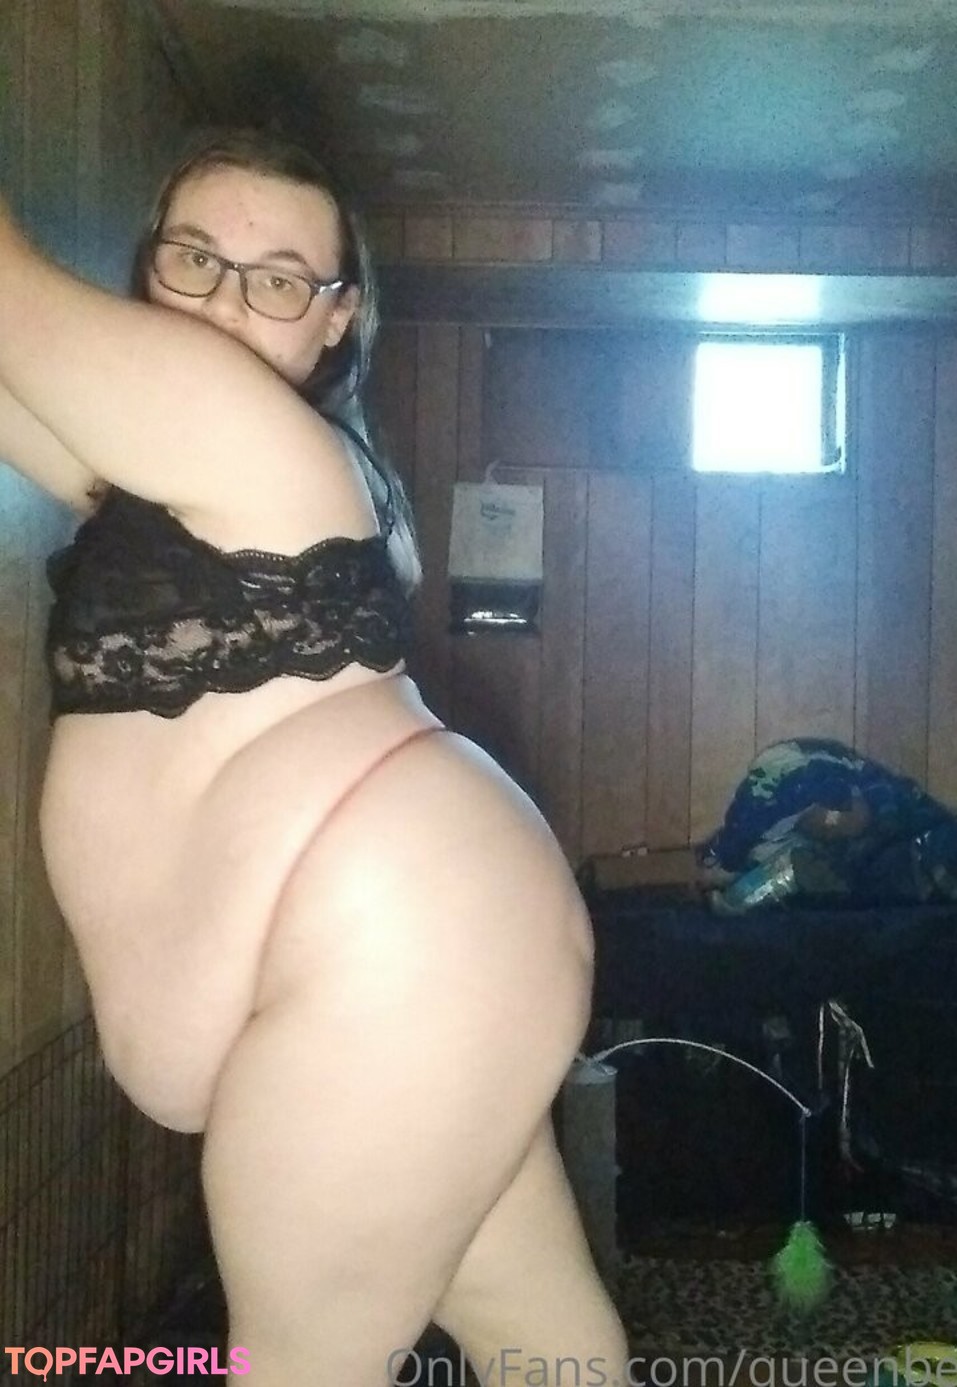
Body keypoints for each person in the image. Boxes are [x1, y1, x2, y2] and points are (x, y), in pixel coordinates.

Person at [0, 130, 627, 1387]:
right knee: (545, 1348)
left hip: (400, 947)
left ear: (337, 317)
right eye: (194, 259)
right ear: (147, 267)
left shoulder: (235, 428)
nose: (227, 304)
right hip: (427, 945)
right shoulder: (201, 467)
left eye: (279, 279)